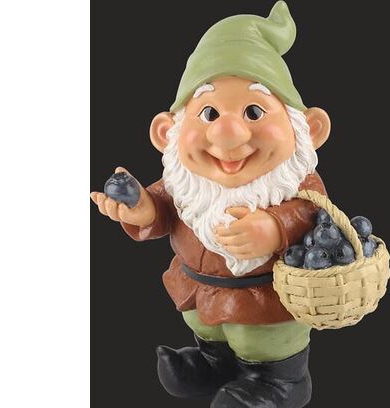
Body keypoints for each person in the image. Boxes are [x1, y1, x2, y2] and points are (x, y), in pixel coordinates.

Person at [91, 2, 331, 407]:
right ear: (166, 132)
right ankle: (214, 362)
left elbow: (313, 215)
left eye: (254, 111)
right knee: (210, 330)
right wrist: (141, 209)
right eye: (208, 112)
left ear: (309, 128)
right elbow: (163, 211)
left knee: (261, 342)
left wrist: (273, 229)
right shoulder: (183, 181)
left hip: (264, 300)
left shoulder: (295, 182)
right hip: (198, 290)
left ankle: (279, 381)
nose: (228, 134)